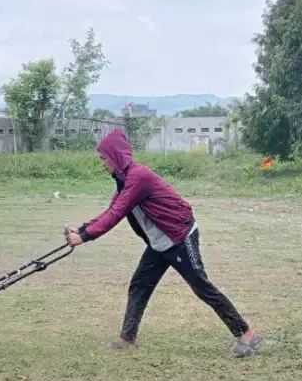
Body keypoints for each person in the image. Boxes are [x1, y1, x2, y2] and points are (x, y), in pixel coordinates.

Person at [66, 129, 262, 357]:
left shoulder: (138, 177)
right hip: (160, 242)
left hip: (179, 237)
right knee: (139, 285)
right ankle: (127, 339)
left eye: (103, 158)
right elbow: (110, 211)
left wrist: (84, 237)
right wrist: (82, 229)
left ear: (115, 156)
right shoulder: (123, 181)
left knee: (202, 287)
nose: (102, 163)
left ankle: (247, 334)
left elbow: (117, 213)